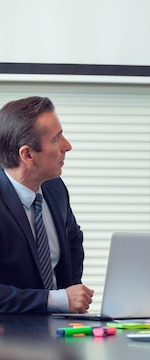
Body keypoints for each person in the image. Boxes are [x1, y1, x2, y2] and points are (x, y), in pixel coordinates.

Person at [0, 96, 93, 314]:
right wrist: (56, 300)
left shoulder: (55, 188)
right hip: (11, 338)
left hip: (60, 331)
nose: (67, 146)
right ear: (28, 154)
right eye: (56, 139)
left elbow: (73, 243)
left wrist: (71, 304)